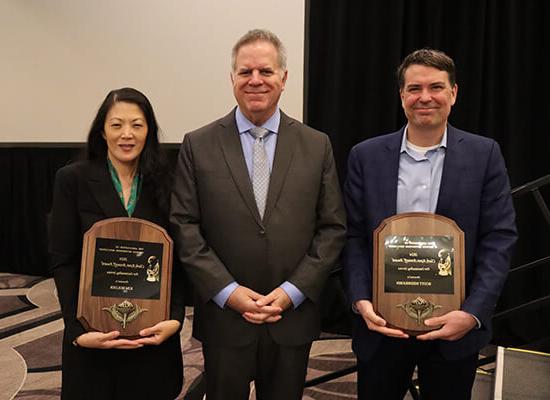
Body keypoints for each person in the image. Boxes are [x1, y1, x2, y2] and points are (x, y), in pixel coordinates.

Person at [170, 29, 346, 400]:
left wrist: (291, 292)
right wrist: (228, 292)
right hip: (225, 317)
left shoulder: (317, 145)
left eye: (265, 71)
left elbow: (331, 229)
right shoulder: (197, 144)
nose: (255, 80)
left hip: (291, 316)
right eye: (245, 72)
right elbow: (185, 226)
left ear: (284, 78)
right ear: (231, 78)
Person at [343, 49, 517, 399]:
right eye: (414, 88)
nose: (425, 97)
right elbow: (353, 236)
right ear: (402, 95)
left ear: (454, 93)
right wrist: (361, 300)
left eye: (436, 87)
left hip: (454, 329)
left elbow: (500, 238)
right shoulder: (366, 156)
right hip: (381, 327)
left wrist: (472, 314)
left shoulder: (484, 155)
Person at [49, 88, 184, 399]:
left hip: (152, 337)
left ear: (149, 131)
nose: (127, 134)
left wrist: (175, 318)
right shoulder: (72, 179)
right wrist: (78, 331)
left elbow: (180, 258)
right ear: (102, 130)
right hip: (94, 338)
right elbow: (63, 260)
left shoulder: (168, 181)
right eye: (116, 125)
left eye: (137, 125)